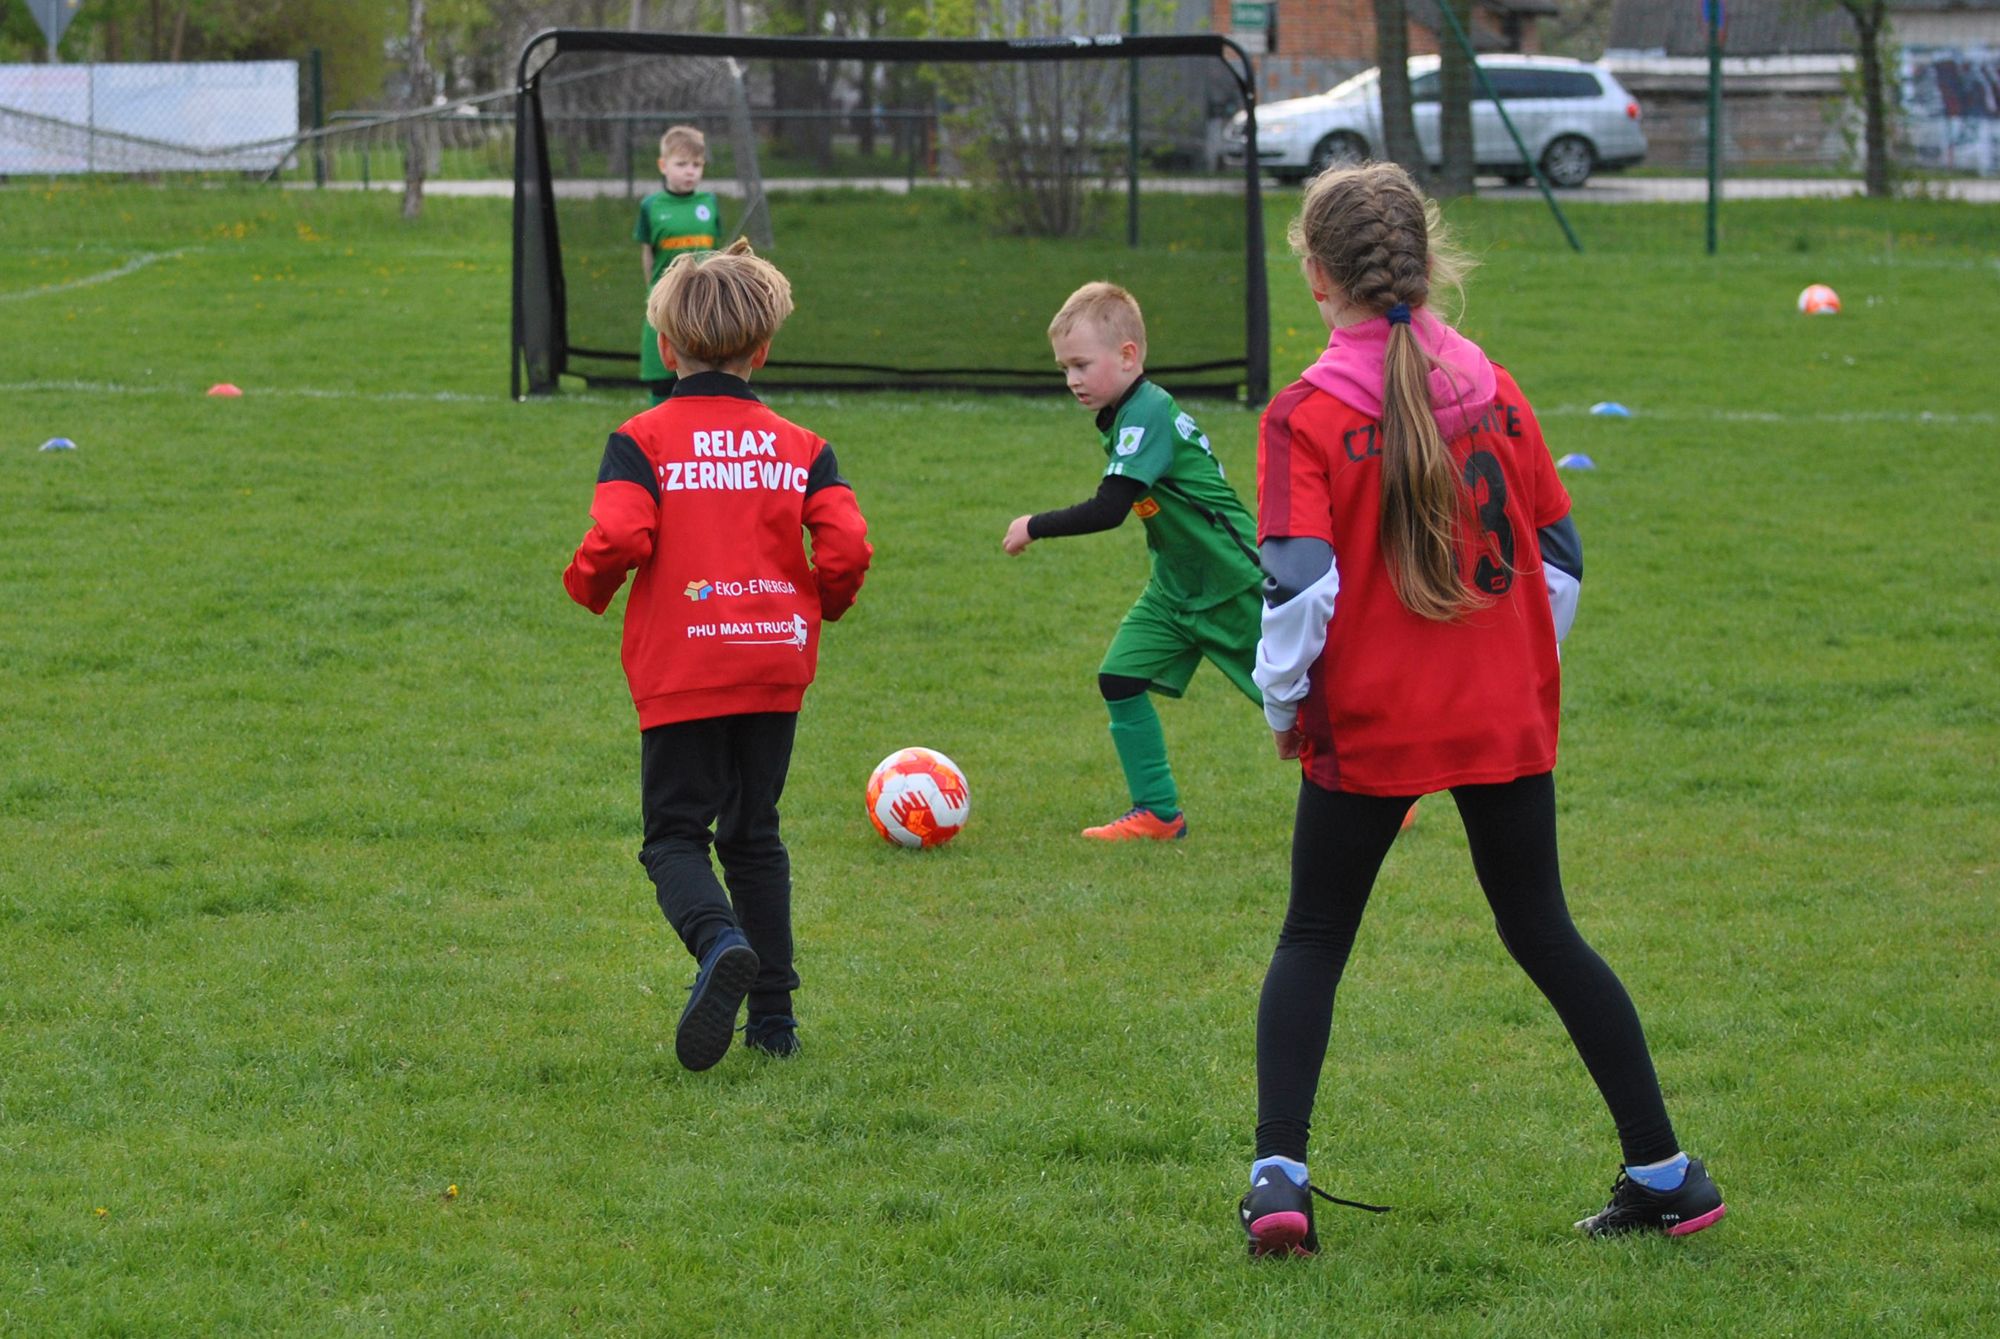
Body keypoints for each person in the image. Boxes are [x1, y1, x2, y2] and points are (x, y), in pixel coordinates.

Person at [1239, 163, 1725, 1255]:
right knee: (1541, 926)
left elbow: (1298, 584)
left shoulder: (1303, 415)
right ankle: (1666, 1171)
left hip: (1372, 719)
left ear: (1316, 278)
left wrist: (1281, 701)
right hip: (1500, 713)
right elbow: (1558, 557)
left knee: (1313, 934)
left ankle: (1278, 1181)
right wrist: (1509, 667)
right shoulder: (1492, 385)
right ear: (1421, 259)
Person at [564, 239, 871, 1070]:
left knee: (672, 835)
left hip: (684, 668)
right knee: (754, 834)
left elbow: (623, 532)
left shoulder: (641, 439)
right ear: (762, 349)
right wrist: (823, 609)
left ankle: (719, 941)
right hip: (774, 664)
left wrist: (587, 584)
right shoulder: (804, 446)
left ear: (667, 348)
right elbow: (844, 547)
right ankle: (774, 1021)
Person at [1002, 281, 1264, 842]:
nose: (1071, 380)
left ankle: (1382, 785)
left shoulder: (1147, 413)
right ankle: (1158, 813)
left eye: (1080, 365)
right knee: (1119, 677)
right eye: (1063, 368)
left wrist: (1033, 526)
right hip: (1176, 587)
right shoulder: (1127, 412)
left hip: (1230, 582)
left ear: (1128, 356)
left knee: (1293, 702)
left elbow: (1109, 509)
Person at [635, 125, 723, 405]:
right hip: (666, 303)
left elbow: (713, 252)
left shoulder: (709, 203)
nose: (690, 171)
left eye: (697, 165)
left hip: (702, 304)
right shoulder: (651, 206)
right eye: (682, 164)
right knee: (662, 381)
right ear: (663, 165)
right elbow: (648, 253)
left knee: (705, 379)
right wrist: (655, 291)